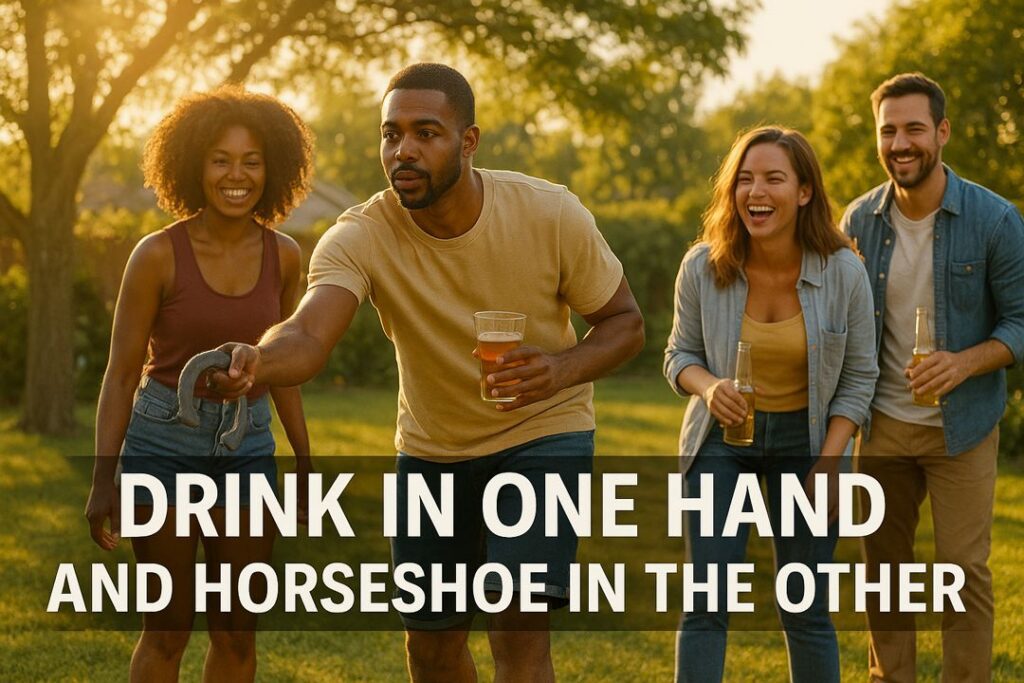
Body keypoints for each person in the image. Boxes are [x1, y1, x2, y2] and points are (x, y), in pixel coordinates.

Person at [208, 63, 644, 682]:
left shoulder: (549, 213)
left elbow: (626, 322)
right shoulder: (361, 234)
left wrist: (559, 368)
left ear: (468, 142)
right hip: (432, 450)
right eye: (391, 134)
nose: (403, 150)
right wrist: (257, 361)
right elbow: (307, 332)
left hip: (543, 433)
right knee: (432, 649)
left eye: (426, 133)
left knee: (516, 627)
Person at [84, 86, 314, 682]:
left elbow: (283, 367)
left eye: (251, 161)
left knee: (237, 630)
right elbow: (120, 373)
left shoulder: (286, 257)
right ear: (194, 165)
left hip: (248, 448)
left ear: (273, 169)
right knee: (167, 630)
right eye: (220, 159)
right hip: (162, 446)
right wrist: (103, 477)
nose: (236, 175)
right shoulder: (156, 255)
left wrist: (307, 460)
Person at [664, 126, 878, 683]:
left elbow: (859, 379)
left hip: (806, 446)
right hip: (721, 442)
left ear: (804, 191)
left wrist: (831, 465)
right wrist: (709, 386)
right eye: (745, 179)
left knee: (804, 605)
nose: (756, 191)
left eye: (773, 179)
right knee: (706, 600)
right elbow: (678, 355)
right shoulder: (702, 267)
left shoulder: (844, 272)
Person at [841, 72, 1024, 683]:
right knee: (882, 573)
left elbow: (1021, 321)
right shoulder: (858, 221)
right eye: (888, 130)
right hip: (883, 425)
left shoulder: (995, 220)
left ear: (942, 132)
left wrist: (965, 361)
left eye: (914, 128)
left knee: (961, 572)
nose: (901, 143)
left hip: (962, 427)